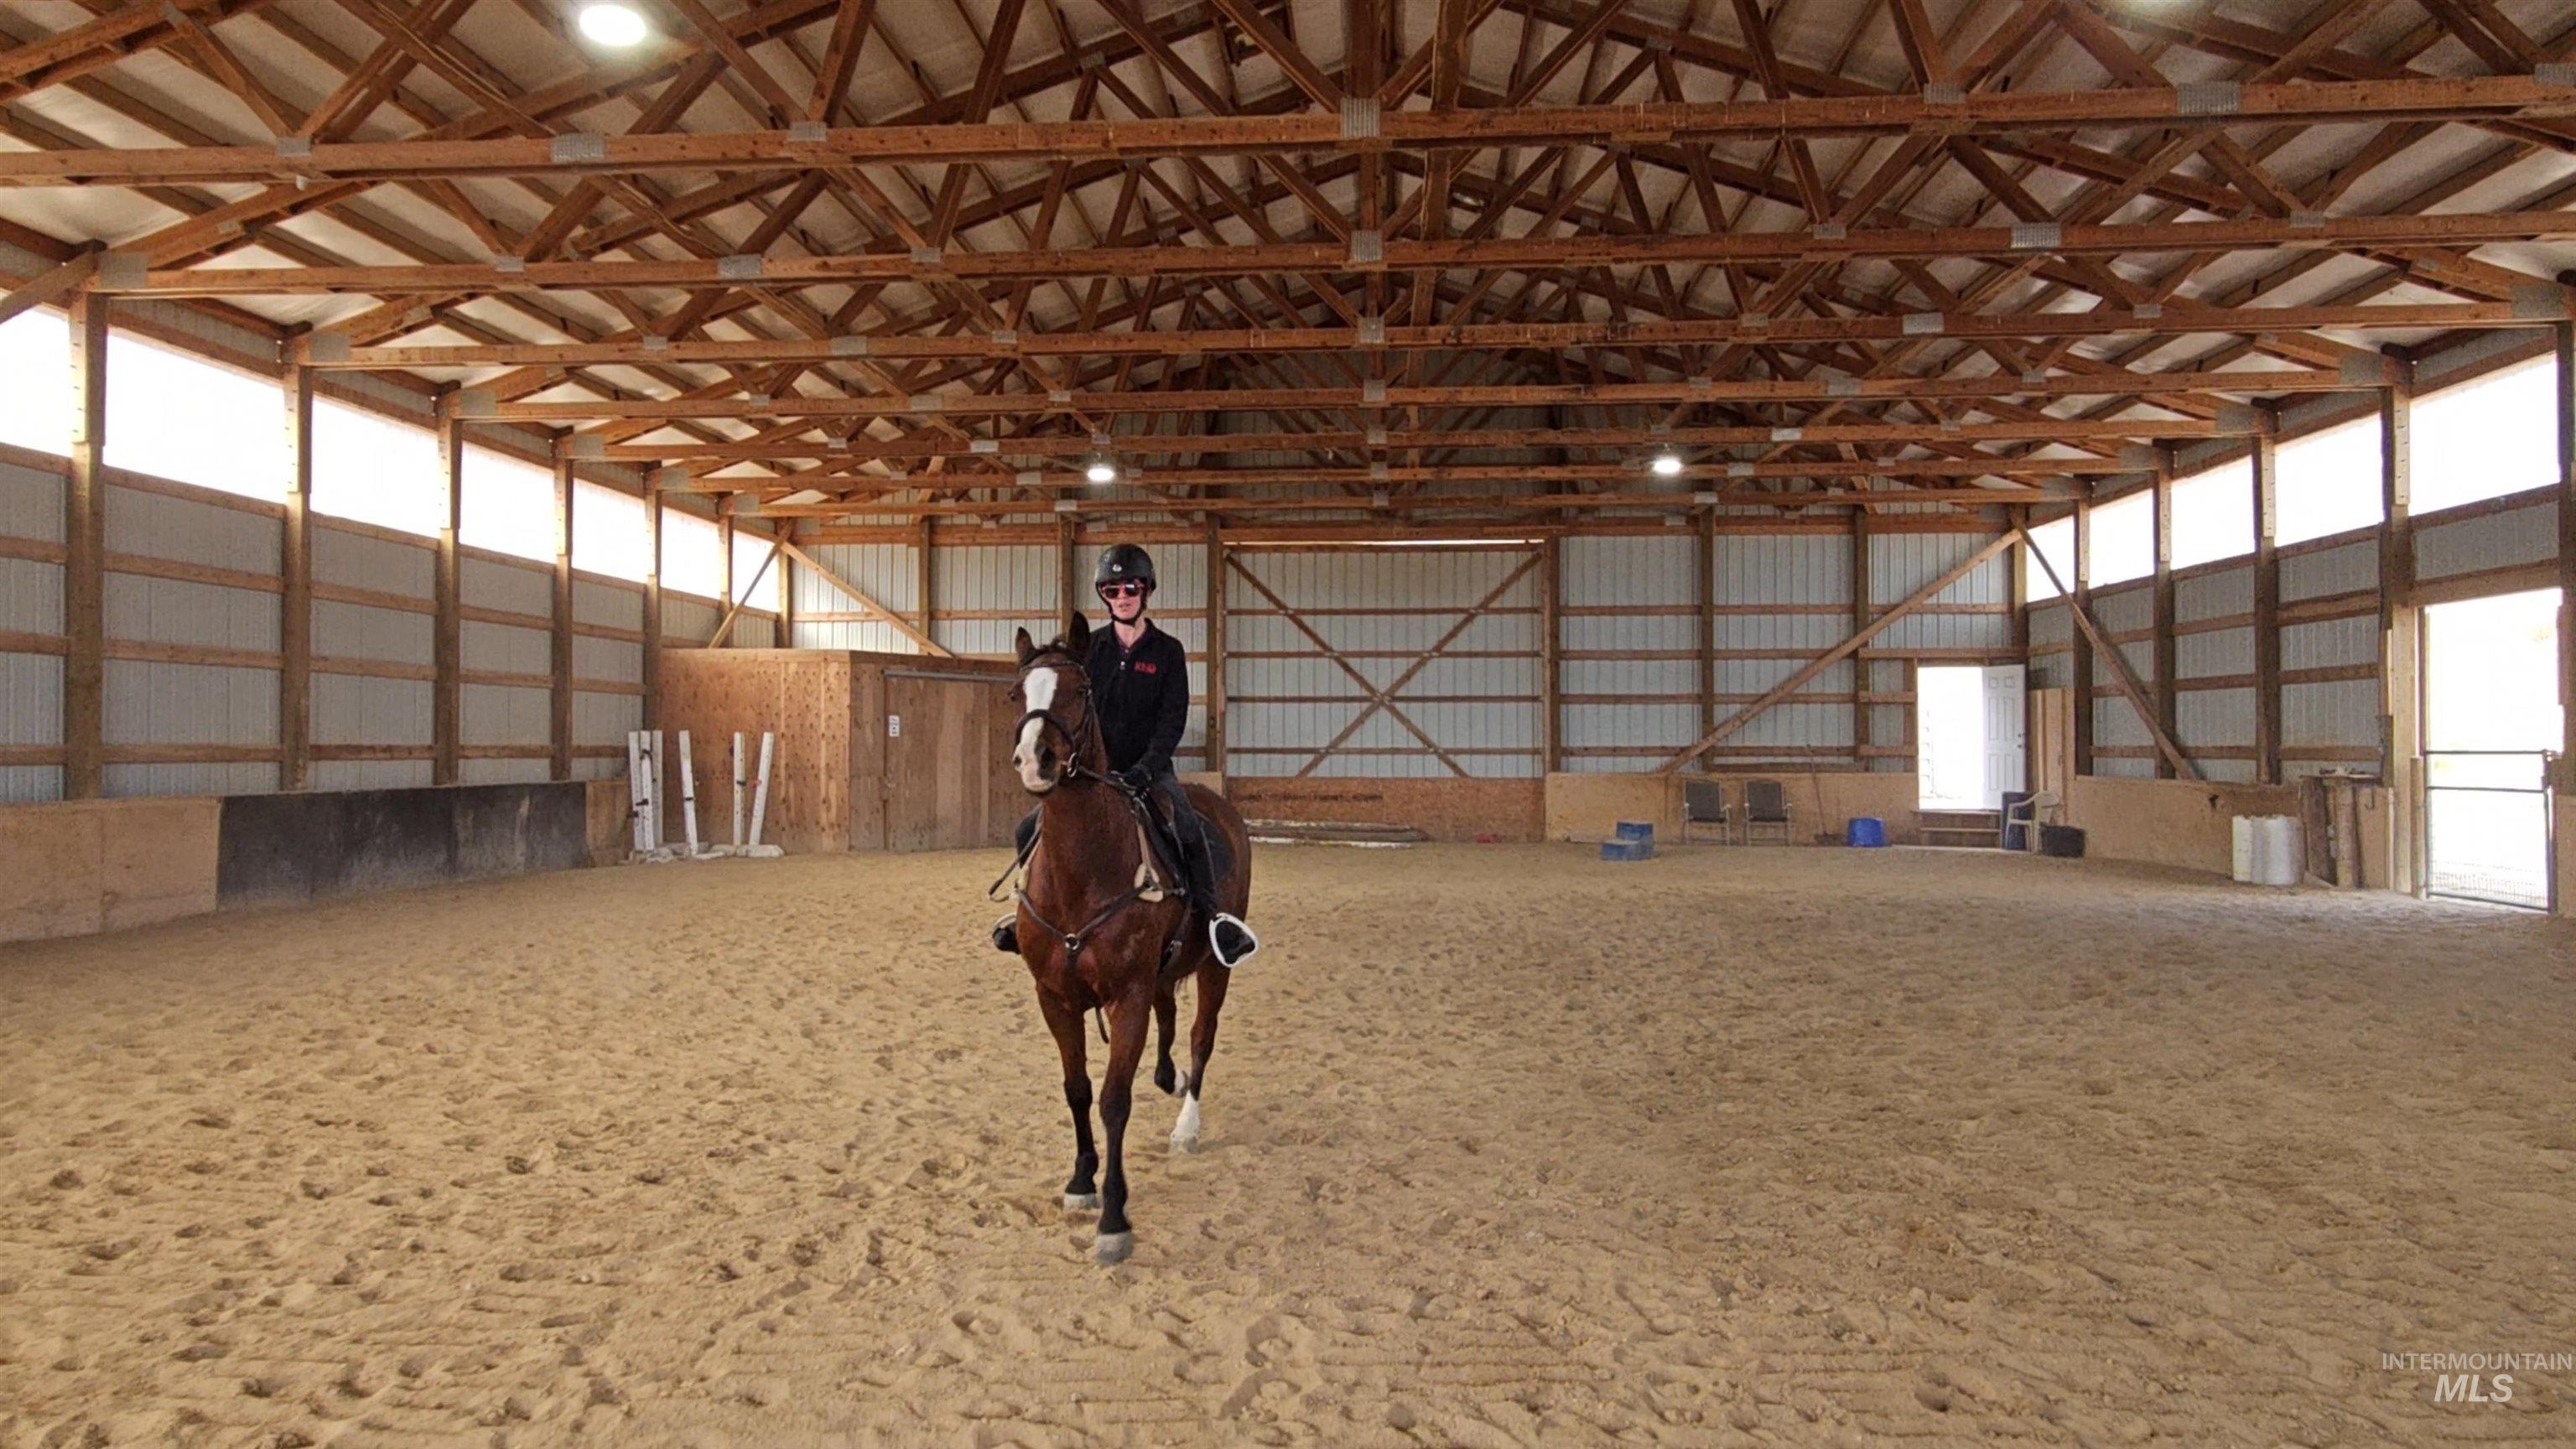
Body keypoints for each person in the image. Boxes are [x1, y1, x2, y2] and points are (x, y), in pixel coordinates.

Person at [994, 544, 1258, 969]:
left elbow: (1172, 720)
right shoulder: (1090, 651)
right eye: (1113, 589)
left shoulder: (1167, 652)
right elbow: (1071, 709)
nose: (1122, 596)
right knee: (1030, 828)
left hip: (1149, 771)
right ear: (1105, 595)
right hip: (1095, 772)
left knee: (1188, 829)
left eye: (1130, 587)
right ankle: (1027, 916)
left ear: (1146, 590)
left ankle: (1216, 921)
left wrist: (1145, 768)